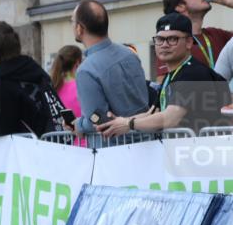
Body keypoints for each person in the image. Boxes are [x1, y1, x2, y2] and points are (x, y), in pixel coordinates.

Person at [99, 13, 231, 137]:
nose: (164, 45)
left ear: (189, 42)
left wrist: (129, 124)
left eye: (173, 39)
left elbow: (169, 119)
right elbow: (153, 113)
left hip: (209, 154)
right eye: (160, 39)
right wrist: (120, 122)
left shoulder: (193, 73)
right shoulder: (173, 74)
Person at [0, 21, 64, 137]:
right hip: (57, 137)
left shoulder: (0, 80)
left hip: (35, 146)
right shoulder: (31, 65)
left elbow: (3, 126)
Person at [70, 0, 149, 135]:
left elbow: (98, 120)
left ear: (79, 28)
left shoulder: (86, 70)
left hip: (114, 150)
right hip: (147, 140)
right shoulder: (129, 53)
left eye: (72, 21)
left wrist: (79, 125)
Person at [161, 0, 233, 74]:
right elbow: (166, 84)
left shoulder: (216, 34)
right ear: (180, 6)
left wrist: (231, 2)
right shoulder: (171, 43)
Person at [50, 44, 83, 121]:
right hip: (79, 131)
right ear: (77, 63)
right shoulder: (81, 86)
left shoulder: (51, 85)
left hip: (56, 132)